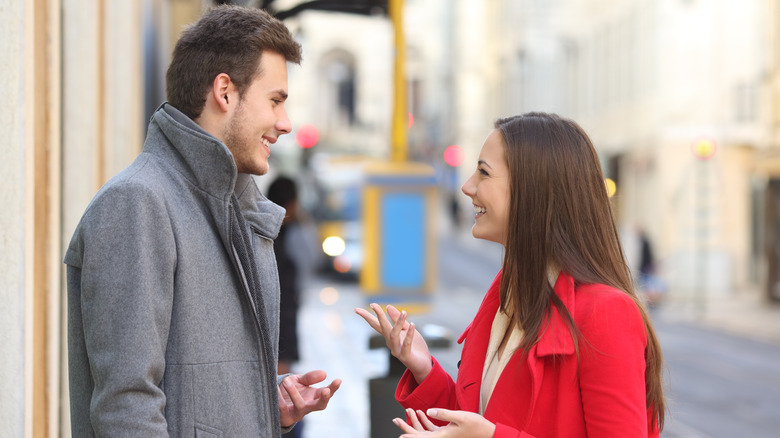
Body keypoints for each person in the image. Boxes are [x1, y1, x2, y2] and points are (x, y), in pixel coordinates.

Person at [64, 5, 340, 436]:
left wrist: (267, 400)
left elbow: (191, 395)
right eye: (275, 101)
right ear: (225, 92)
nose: (284, 123)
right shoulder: (137, 204)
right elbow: (127, 408)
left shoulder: (232, 205)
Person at [356, 112, 666, 437]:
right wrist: (423, 368)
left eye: (484, 173)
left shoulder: (605, 313)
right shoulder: (506, 295)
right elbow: (476, 422)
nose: (467, 186)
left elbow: (490, 431)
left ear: (533, 189)